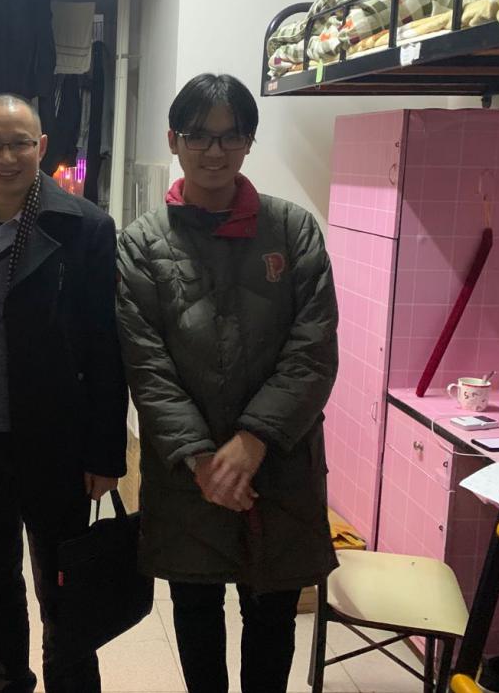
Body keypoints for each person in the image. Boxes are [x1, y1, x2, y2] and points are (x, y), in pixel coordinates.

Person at [115, 74, 339, 693]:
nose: (214, 151)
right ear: (174, 140)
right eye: (198, 136)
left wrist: (253, 442)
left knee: (271, 618)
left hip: (279, 466)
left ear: (248, 143)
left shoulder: (292, 230)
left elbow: (313, 351)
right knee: (196, 613)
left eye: (230, 136)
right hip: (188, 475)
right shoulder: (142, 244)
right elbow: (147, 366)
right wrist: (202, 460)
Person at [0, 93, 128, 693]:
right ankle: (7, 684)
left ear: (42, 148)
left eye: (20, 144)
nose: (6, 157)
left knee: (63, 587)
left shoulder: (85, 227)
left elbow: (105, 345)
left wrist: (105, 454)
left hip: (57, 443)